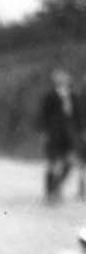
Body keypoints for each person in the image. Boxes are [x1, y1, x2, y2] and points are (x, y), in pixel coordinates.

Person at [36, 68, 81, 202]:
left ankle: (58, 187)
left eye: (66, 78)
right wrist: (44, 132)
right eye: (61, 78)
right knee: (53, 163)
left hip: (70, 135)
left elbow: (78, 115)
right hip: (54, 133)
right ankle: (50, 191)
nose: (64, 81)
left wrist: (80, 130)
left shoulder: (74, 96)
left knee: (70, 162)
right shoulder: (49, 96)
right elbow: (43, 115)